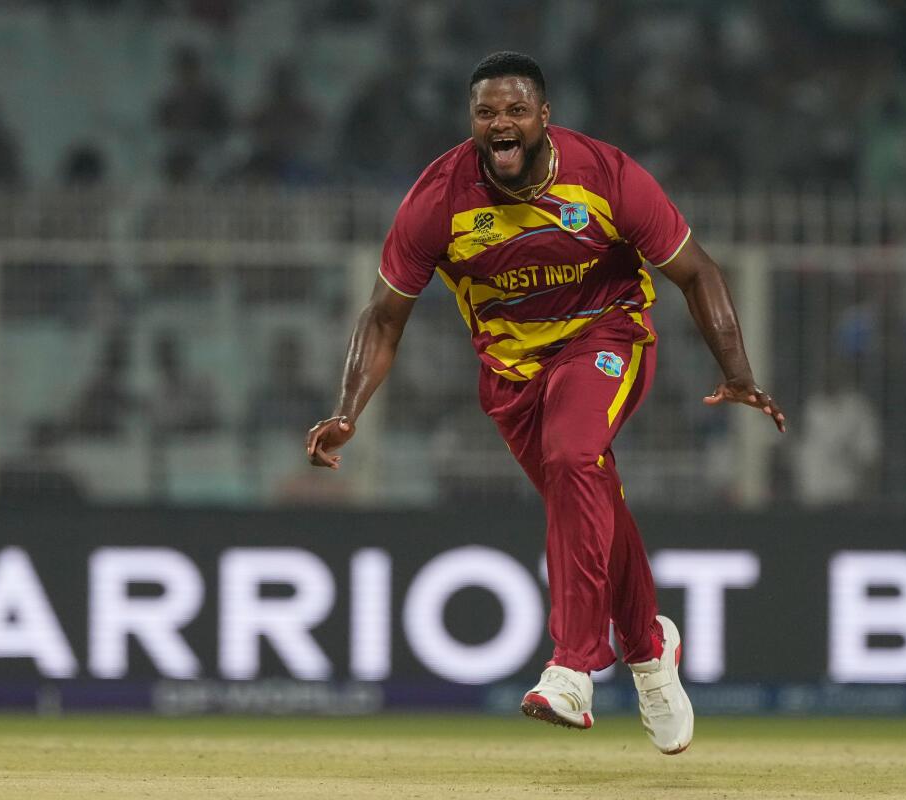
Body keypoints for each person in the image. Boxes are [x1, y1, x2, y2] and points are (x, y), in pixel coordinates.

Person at [305, 52, 785, 755]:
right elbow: (383, 316)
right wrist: (348, 408)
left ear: (543, 118)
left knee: (572, 453)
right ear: (473, 123)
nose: (500, 123)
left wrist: (737, 370)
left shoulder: (608, 177)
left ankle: (575, 666)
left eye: (515, 111)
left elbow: (696, 270)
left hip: (606, 337)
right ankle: (651, 652)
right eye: (486, 113)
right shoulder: (439, 198)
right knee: (585, 494)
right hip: (511, 374)